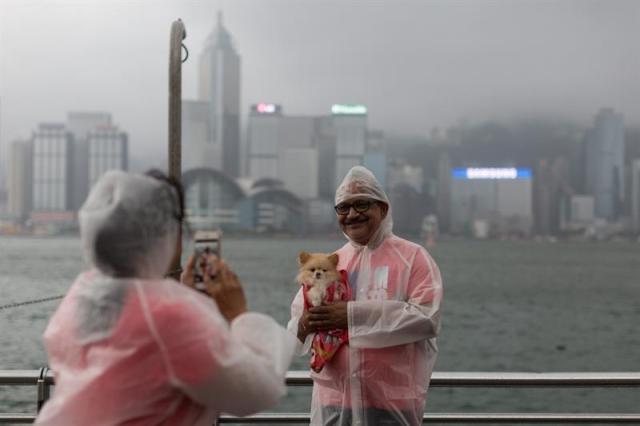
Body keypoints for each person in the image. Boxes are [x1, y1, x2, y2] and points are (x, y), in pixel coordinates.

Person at [35, 170, 295, 426]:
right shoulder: (169, 315)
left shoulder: (79, 299)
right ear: (164, 231)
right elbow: (254, 393)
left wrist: (191, 301)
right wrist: (239, 313)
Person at [288, 166, 443, 426]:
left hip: (392, 404)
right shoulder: (329, 263)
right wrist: (306, 324)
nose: (352, 215)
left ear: (383, 209)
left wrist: (349, 315)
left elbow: (427, 318)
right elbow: (295, 331)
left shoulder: (413, 258)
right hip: (332, 404)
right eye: (343, 208)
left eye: (361, 205)